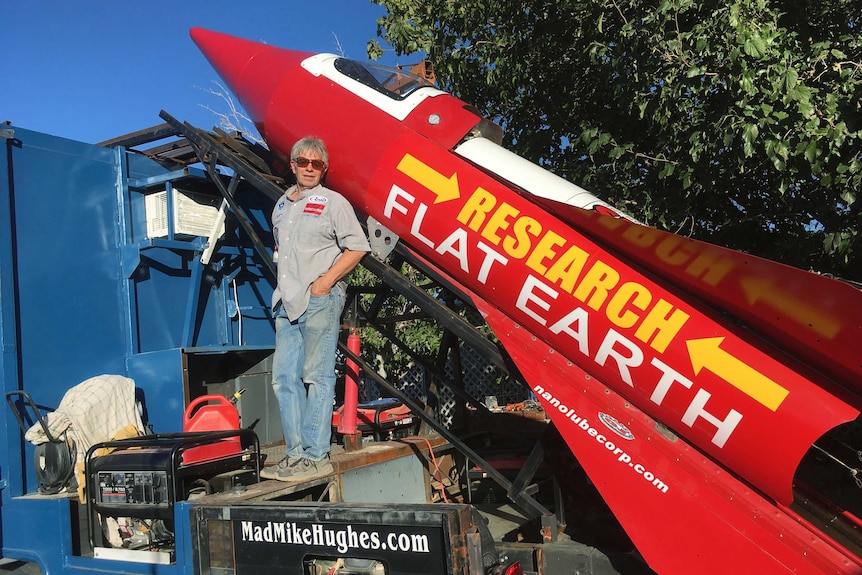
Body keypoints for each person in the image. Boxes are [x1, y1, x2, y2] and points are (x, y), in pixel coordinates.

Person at [261, 136, 370, 482]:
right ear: (291, 165)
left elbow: (357, 247)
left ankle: (315, 455)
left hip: (320, 299)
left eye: (316, 164)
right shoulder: (280, 206)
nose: (309, 168)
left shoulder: (334, 203)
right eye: (303, 162)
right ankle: (294, 455)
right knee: (283, 379)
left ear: (324, 169)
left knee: (316, 376)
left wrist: (325, 283)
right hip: (286, 302)